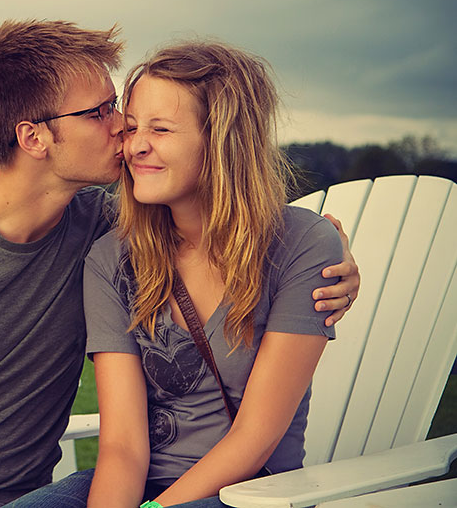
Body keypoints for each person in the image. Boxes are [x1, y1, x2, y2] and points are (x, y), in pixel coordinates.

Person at [0, 22, 359, 508]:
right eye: (100, 112)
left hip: (60, 496)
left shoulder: (108, 228)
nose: (124, 128)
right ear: (33, 137)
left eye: (120, 109)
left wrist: (333, 250)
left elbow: (251, 231)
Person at [79, 41, 346, 507]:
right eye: (133, 126)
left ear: (223, 140)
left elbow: (256, 436)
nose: (136, 145)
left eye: (161, 129)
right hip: (137, 485)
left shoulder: (301, 245)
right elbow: (122, 446)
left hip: (250, 491)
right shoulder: (111, 260)